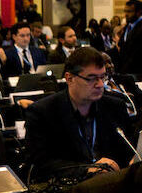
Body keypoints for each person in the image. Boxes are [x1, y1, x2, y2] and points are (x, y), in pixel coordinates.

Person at [21, 47, 133, 183]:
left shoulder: (115, 106)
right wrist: (87, 170)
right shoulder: (43, 112)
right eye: (91, 78)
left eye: (102, 77)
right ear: (69, 78)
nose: (100, 85)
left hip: (112, 185)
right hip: (68, 189)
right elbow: (39, 163)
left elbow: (127, 150)